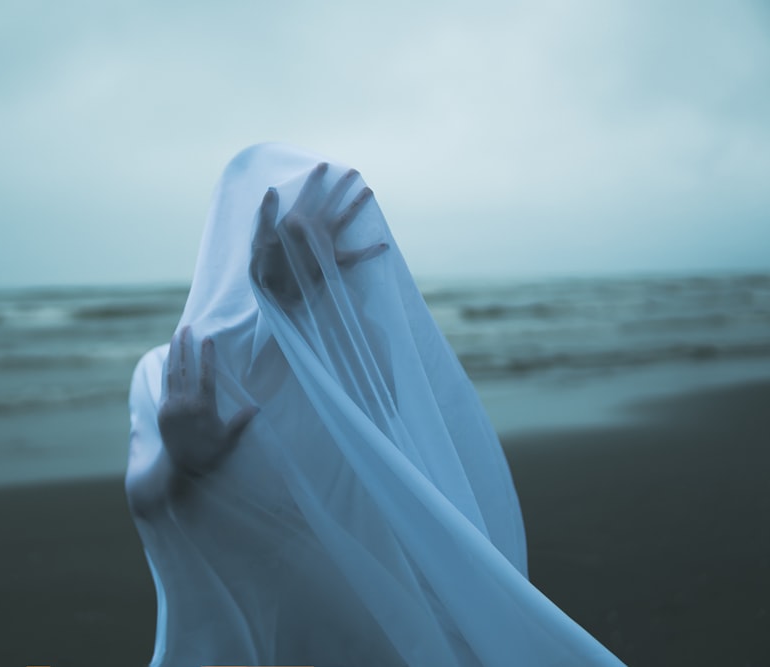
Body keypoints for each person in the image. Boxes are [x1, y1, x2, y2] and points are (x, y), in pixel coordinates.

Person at [124, 143, 624, 666]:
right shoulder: (168, 374)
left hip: (372, 637)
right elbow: (151, 504)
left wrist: (305, 308)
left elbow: (406, 473)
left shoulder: (353, 355)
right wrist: (182, 460)